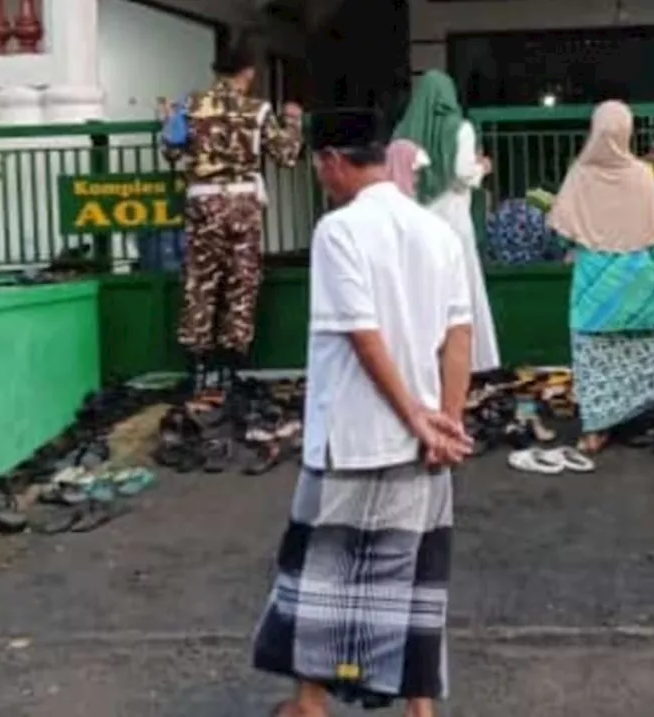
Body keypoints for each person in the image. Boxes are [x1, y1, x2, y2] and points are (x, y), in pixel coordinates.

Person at [251, 108, 474, 717]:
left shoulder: (338, 231)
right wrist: (444, 424)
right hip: (423, 444)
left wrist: (417, 420)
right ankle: (420, 711)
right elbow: (459, 335)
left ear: (332, 161)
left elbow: (361, 334)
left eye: (318, 168)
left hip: (354, 435)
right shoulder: (438, 233)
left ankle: (310, 704)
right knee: (414, 583)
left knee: (321, 579)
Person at [548, 101, 654, 453]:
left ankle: (595, 430)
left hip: (594, 287)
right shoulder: (641, 175)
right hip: (641, 284)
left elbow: (564, 232)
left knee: (595, 358)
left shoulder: (579, 174)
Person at [162, 42, 303, 392]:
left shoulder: (191, 105)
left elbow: (169, 150)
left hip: (202, 203)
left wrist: (166, 117)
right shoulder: (257, 109)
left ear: (216, 71)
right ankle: (231, 365)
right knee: (242, 280)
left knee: (200, 280)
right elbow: (286, 154)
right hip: (242, 203)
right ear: (249, 72)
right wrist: (294, 121)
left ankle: (198, 365)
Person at [392, 70, 500, 372]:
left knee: (420, 290)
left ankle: (420, 360)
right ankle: (467, 360)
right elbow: (463, 172)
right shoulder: (460, 128)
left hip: (416, 219)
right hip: (452, 216)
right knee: (461, 289)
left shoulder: (404, 131)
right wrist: (483, 167)